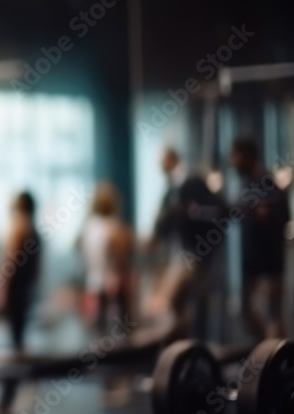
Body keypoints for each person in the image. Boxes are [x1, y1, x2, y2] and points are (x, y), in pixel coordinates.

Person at [148, 146, 224, 338]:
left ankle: (197, 342)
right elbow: (166, 219)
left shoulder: (192, 182)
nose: (159, 166)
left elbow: (215, 210)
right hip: (182, 251)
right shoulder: (171, 188)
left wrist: (194, 216)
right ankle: (187, 341)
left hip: (195, 252)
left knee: (193, 298)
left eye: (162, 161)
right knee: (180, 302)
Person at [0, 191, 41, 414]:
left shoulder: (18, 229)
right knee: (17, 349)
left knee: (14, 353)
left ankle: (4, 408)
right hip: (25, 298)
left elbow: (7, 264)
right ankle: (8, 404)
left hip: (16, 299)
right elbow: (36, 271)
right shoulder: (34, 232)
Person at [230, 136, 290, 339]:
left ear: (246, 156)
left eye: (236, 156)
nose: (233, 161)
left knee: (270, 314)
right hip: (252, 264)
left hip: (269, 266)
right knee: (249, 312)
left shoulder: (267, 183)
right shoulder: (246, 184)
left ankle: (279, 364)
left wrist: (265, 214)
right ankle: (265, 360)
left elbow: (281, 216)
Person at [78, 182, 134, 331]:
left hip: (93, 282)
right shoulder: (114, 227)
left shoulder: (88, 228)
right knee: (121, 327)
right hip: (111, 282)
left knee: (98, 326)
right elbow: (120, 258)